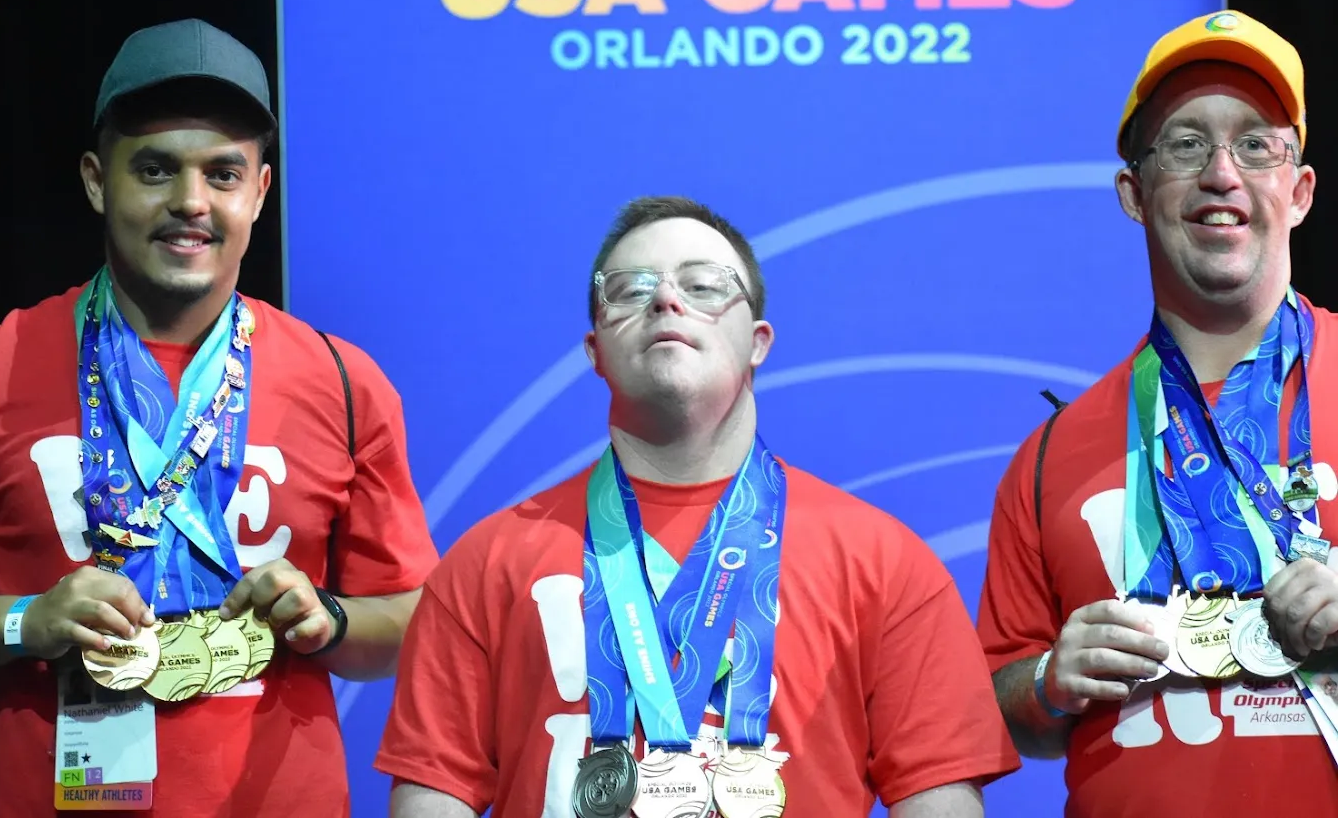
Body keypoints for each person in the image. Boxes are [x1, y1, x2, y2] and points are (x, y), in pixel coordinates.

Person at [0, 18, 439, 817]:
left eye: (222, 173)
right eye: (154, 168)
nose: (190, 202)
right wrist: (24, 621)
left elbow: (414, 617)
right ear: (95, 180)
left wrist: (332, 616)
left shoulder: (345, 382)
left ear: (259, 191)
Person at [375, 196, 1020, 817]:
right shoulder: (486, 563)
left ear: (758, 341)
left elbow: (937, 794)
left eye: (705, 285)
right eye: (630, 289)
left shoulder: (885, 563)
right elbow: (436, 791)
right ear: (595, 351)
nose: (665, 299)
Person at [978, 9, 1338, 817]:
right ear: (1134, 195)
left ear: (1299, 191)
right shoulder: (1048, 456)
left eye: (1256, 145)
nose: (1221, 173)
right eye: (1184, 144)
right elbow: (998, 701)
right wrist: (1047, 680)